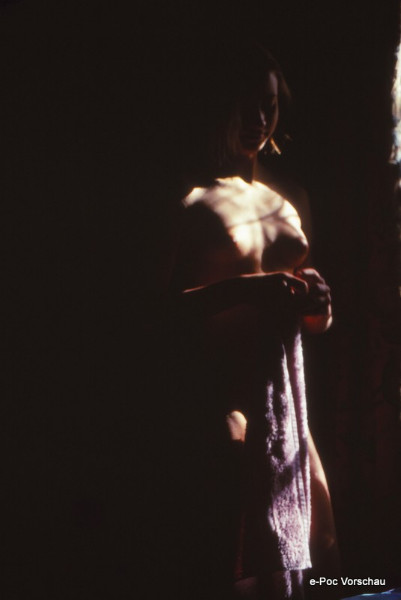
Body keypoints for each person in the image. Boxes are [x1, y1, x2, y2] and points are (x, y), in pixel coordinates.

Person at [170, 42, 340, 600]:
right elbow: (156, 312)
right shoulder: (189, 197)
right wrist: (248, 290)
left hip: (287, 402)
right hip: (220, 398)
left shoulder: (290, 198)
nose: (259, 119)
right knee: (243, 565)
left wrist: (320, 307)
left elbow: (315, 323)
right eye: (246, 104)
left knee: (324, 549)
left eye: (269, 105)